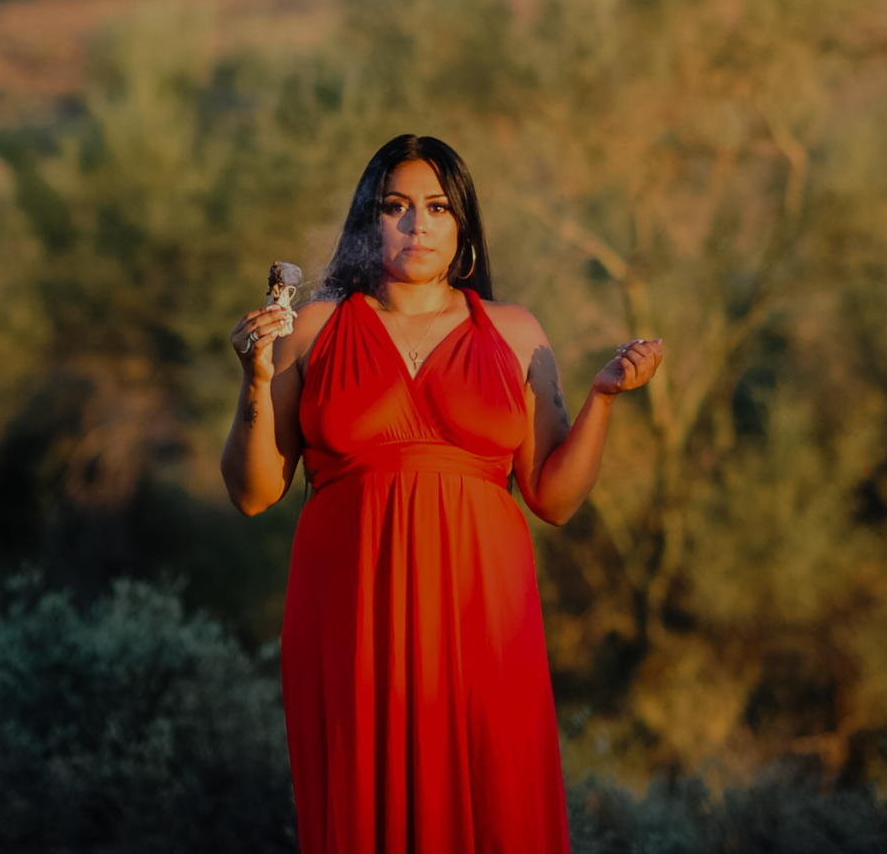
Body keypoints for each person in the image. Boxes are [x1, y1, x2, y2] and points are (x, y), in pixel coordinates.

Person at [222, 135, 663, 854]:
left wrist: (605, 399)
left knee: (496, 799)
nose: (416, 224)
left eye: (436, 207)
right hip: (353, 612)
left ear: (463, 226)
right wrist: (255, 380)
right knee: (365, 803)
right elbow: (252, 492)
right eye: (395, 206)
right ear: (368, 221)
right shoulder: (313, 328)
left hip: (484, 613)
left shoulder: (515, 332)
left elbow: (553, 499)